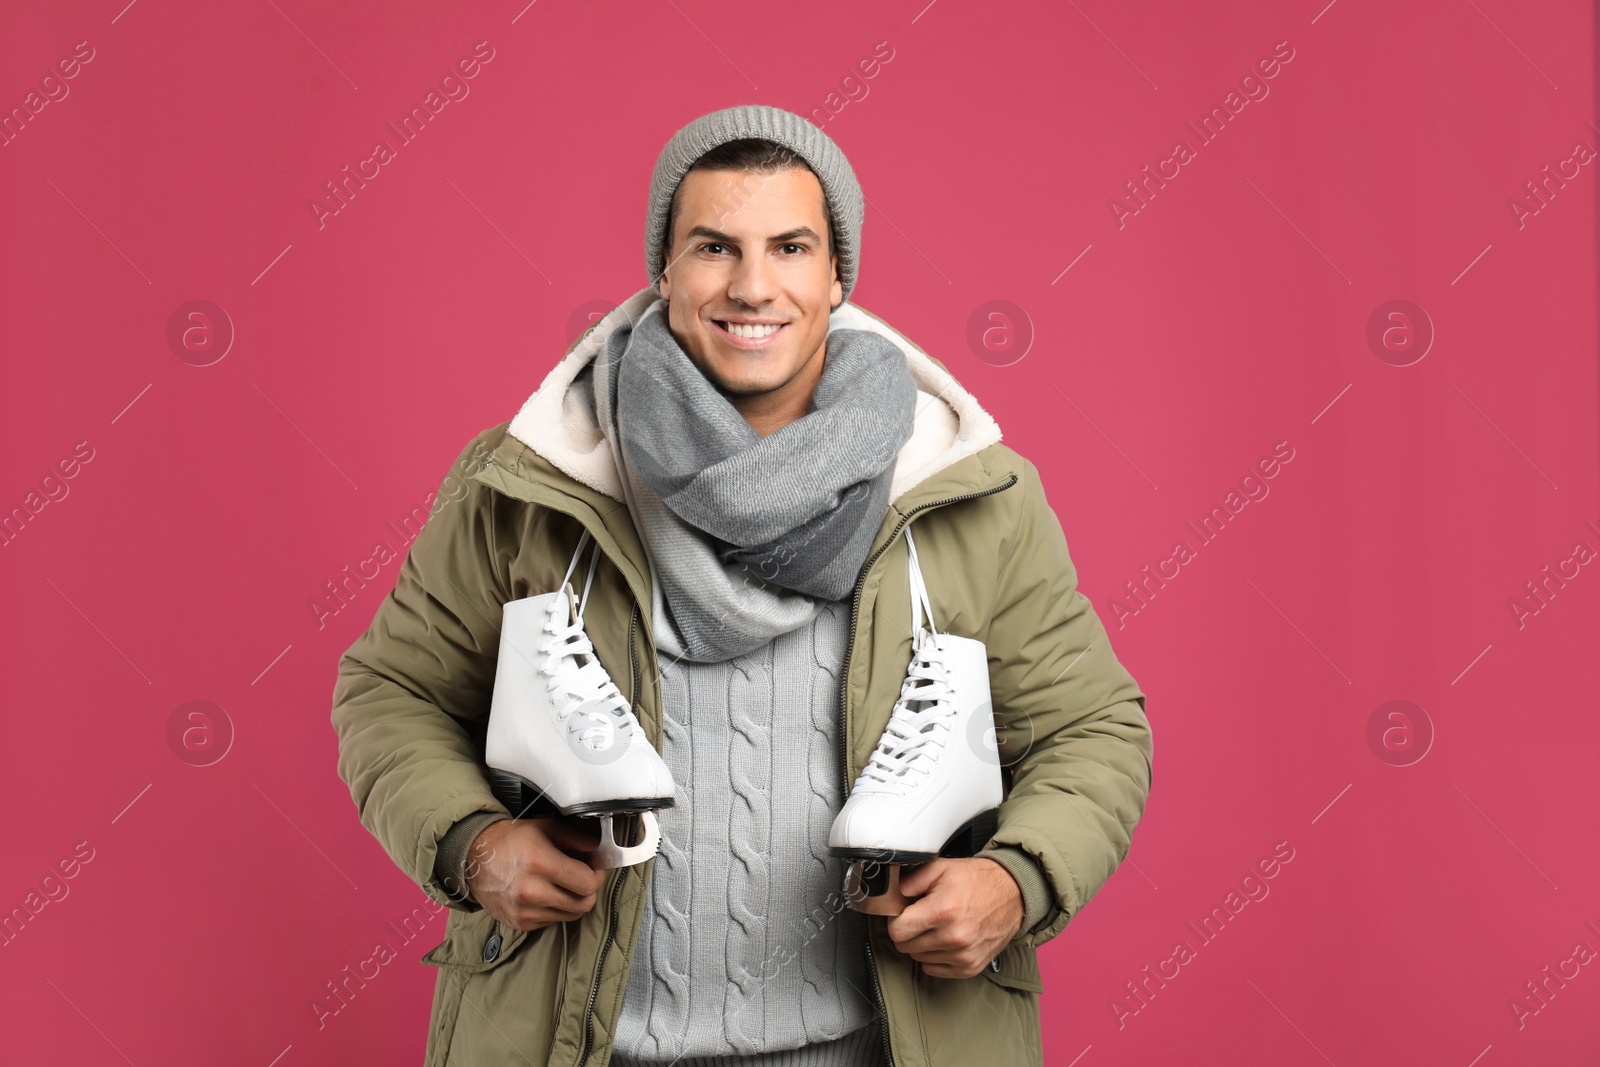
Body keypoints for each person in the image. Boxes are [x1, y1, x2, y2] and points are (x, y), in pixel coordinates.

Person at [330, 103, 1152, 1067]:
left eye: (792, 247)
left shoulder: (963, 488)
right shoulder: (537, 477)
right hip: (576, 1045)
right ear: (665, 272)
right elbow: (391, 693)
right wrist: (472, 843)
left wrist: (1016, 881)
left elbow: (1093, 728)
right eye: (715, 246)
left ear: (836, 274)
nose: (753, 285)